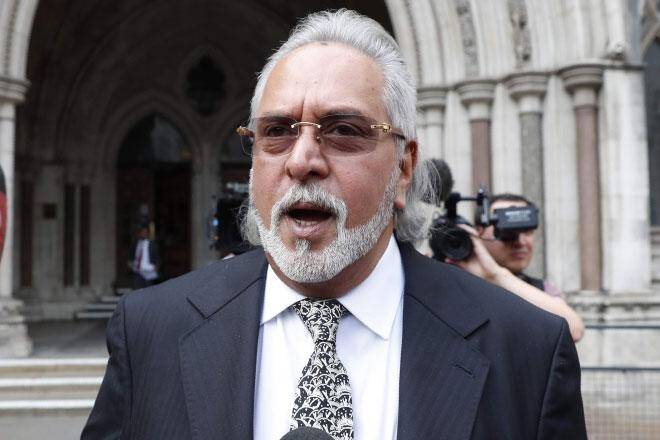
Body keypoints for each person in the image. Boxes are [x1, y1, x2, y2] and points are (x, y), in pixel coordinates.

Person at [82, 9, 586, 440]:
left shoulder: (527, 351)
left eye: (343, 130)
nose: (302, 160)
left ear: (404, 168)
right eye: (276, 131)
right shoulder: (150, 331)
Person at [440, 193, 585, 342]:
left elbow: (573, 330)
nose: (520, 242)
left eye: (527, 231)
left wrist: (496, 275)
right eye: (506, 232)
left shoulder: (543, 290)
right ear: (478, 232)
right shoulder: (455, 282)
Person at [127, 224, 160, 289]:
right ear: (139, 233)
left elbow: (157, 257)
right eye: (142, 232)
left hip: (149, 270)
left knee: (148, 290)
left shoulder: (152, 244)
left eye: (145, 232)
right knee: (136, 289)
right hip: (137, 271)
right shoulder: (135, 244)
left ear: (148, 233)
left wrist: (156, 267)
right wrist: (130, 265)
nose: (143, 234)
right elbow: (131, 256)